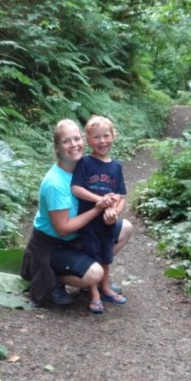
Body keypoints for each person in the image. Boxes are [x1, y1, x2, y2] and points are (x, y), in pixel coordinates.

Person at [21, 119, 132, 308]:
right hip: (52, 246)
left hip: (78, 237)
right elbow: (63, 229)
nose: (73, 145)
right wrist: (98, 208)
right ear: (57, 146)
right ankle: (54, 279)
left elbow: (119, 194)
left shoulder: (85, 167)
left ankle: (87, 275)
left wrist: (112, 210)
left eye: (76, 138)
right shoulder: (55, 183)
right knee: (94, 273)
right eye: (66, 141)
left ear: (84, 140)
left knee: (126, 228)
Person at [71, 115, 128, 314]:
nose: (102, 141)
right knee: (92, 254)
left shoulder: (116, 166)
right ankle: (93, 292)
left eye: (106, 136)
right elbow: (76, 188)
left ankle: (104, 286)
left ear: (114, 136)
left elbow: (121, 195)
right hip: (88, 221)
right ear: (88, 139)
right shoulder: (85, 163)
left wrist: (114, 211)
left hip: (107, 223)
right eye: (96, 137)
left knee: (106, 254)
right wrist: (99, 200)